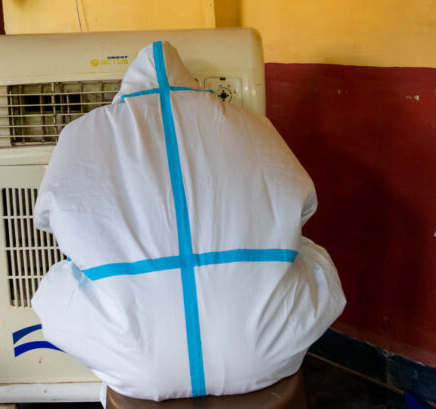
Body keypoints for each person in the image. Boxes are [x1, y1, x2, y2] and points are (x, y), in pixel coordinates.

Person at [31, 40, 345, 402]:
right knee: (305, 250)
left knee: (62, 276)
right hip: (266, 355)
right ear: (194, 84)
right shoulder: (254, 125)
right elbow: (303, 205)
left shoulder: (82, 132)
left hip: (135, 365)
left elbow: (49, 218)